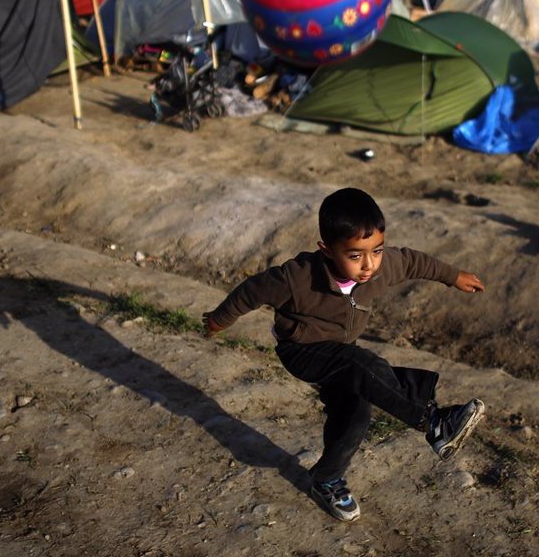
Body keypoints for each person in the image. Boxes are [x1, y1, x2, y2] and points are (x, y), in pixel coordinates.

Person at [203, 187, 487, 522]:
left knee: (355, 412)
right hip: (302, 350)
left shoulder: (381, 267)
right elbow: (251, 291)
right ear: (327, 250)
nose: (369, 265)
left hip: (341, 350)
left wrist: (453, 277)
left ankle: (326, 479)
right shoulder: (297, 278)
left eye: (376, 251)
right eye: (355, 256)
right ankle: (434, 423)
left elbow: (414, 262)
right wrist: (219, 319)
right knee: (364, 365)